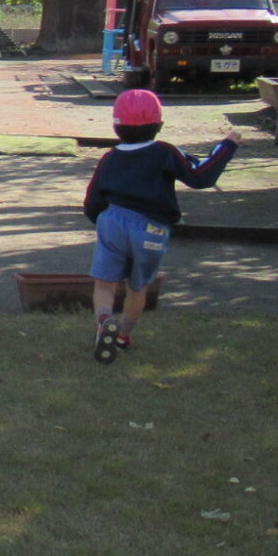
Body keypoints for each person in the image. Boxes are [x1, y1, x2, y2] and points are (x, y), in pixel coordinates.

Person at [82, 87, 237, 362]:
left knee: (105, 284)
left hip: (112, 220)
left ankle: (104, 321)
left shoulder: (110, 157)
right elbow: (200, 177)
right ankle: (123, 336)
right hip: (151, 227)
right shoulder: (165, 152)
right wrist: (226, 147)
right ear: (159, 125)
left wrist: (100, 222)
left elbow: (93, 199)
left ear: (116, 127)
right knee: (137, 286)